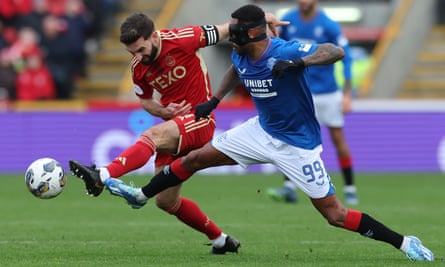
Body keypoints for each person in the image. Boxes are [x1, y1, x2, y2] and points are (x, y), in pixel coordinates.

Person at [101, 4, 434, 262]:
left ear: (254, 34)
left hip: (297, 145)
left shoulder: (283, 51)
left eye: (238, 32)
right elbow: (236, 69)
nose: (233, 35)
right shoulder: (241, 51)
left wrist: (301, 64)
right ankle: (141, 195)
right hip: (260, 131)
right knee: (195, 158)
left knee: (335, 215)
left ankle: (405, 242)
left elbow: (336, 51)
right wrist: (214, 100)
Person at [69, 11, 286, 254]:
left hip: (199, 119)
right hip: (175, 126)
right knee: (165, 201)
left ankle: (103, 174)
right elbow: (145, 101)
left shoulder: (185, 38)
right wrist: (162, 110)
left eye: (140, 50)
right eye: (132, 53)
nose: (137, 57)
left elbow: (227, 29)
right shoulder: (138, 67)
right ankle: (221, 240)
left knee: (151, 137)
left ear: (153, 36)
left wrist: (263, 18)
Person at [267, 0, 357, 205]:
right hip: (301, 90)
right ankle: (289, 187)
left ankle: (350, 188)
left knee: (337, 140)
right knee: (293, 136)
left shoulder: (328, 24)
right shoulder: (289, 19)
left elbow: (346, 57)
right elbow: (280, 48)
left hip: (327, 93)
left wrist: (347, 94)